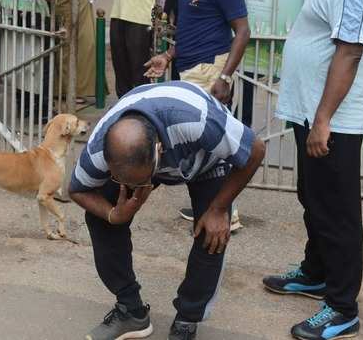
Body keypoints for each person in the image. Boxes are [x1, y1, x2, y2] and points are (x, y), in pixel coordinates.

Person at [264, 0, 363, 340]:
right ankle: (316, 272)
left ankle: (341, 307)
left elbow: (350, 50)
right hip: (314, 112)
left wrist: (323, 120)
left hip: (331, 119)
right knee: (313, 199)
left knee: (336, 211)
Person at [69, 81, 265, 340]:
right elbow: (77, 189)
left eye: (139, 183)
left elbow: (256, 150)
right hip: (147, 157)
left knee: (212, 232)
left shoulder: (198, 120)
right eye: (123, 182)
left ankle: (187, 318)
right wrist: (113, 214)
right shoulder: (98, 150)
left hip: (207, 159)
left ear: (159, 152)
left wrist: (218, 209)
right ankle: (131, 311)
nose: (132, 189)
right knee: (99, 217)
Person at [144, 0, 251, 232]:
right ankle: (213, 205)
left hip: (208, 69)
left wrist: (226, 77)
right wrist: (167, 55)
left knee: (208, 140)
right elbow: (192, 30)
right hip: (190, 67)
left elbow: (243, 32)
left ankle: (225, 213)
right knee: (202, 142)